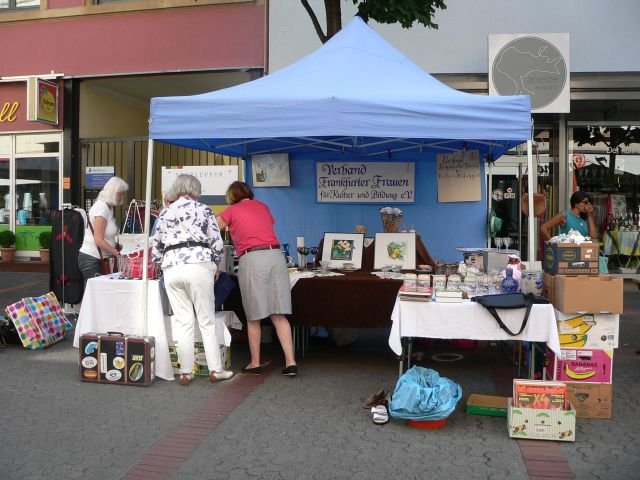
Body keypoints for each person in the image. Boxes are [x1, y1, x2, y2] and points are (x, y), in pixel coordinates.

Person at [151, 174, 232, 386]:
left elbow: (156, 247)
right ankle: (216, 369)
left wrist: (163, 264)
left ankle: (186, 372)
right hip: (198, 266)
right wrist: (214, 264)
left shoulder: (165, 213)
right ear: (196, 190)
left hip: (172, 268)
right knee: (206, 320)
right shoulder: (204, 210)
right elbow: (217, 243)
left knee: (183, 321)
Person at [216, 181, 297, 376]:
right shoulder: (263, 206)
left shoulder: (231, 210)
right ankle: (290, 362)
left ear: (232, 195)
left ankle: (255, 363)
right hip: (277, 256)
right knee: (278, 314)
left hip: (252, 258)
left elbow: (213, 230)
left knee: (254, 316)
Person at [78, 176, 128, 292]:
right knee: (97, 294)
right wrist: (116, 253)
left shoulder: (107, 207)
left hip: (95, 258)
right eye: (121, 194)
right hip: (92, 258)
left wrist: (115, 245)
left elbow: (102, 237)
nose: (122, 197)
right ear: (113, 193)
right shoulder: (102, 208)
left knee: (99, 294)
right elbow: (98, 239)